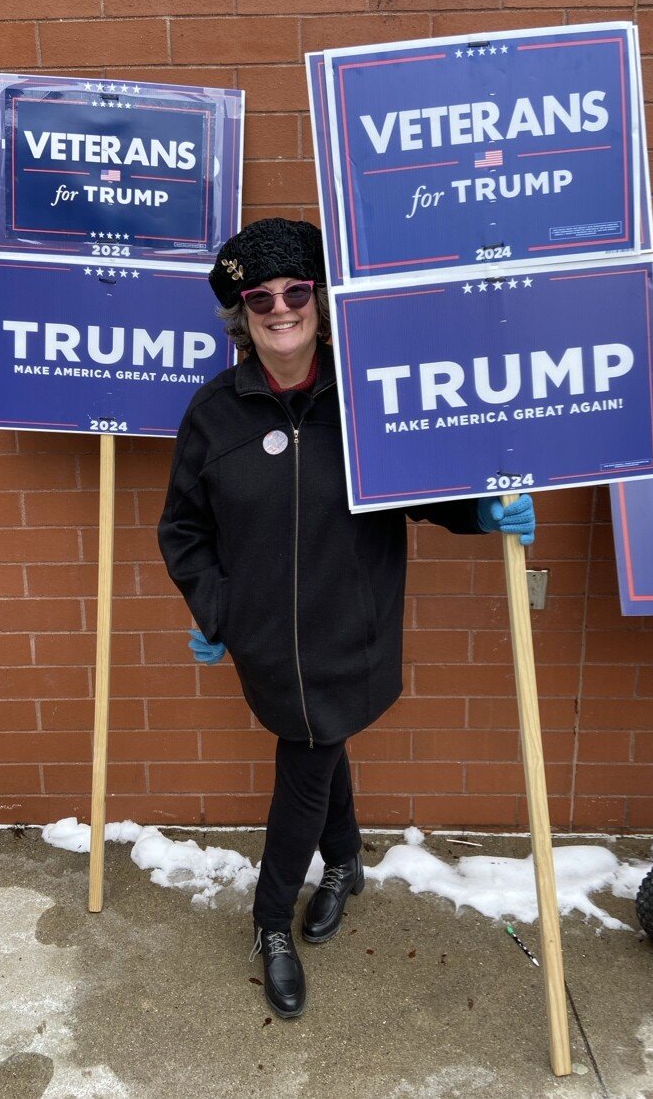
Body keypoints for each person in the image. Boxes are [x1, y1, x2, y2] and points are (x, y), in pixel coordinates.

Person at [157, 217, 535, 1019]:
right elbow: (183, 529)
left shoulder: (369, 395)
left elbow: (427, 489)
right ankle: (340, 866)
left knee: (310, 752)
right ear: (242, 315)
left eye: (296, 292)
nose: (280, 309)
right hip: (267, 641)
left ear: (320, 303)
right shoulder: (214, 414)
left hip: (352, 626)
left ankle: (271, 921)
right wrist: (217, 608)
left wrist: (484, 513)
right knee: (316, 743)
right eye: (261, 299)